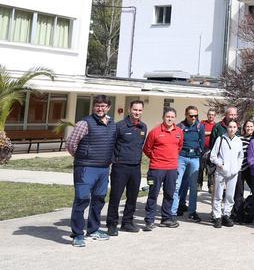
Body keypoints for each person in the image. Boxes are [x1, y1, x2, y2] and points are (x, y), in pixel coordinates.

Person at [66, 95, 117, 247]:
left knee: (99, 199)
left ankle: (93, 230)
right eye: (97, 106)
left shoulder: (112, 124)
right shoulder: (84, 123)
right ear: (93, 107)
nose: (100, 109)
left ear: (108, 107)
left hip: (103, 169)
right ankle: (77, 234)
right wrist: (83, 157)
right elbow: (70, 144)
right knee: (81, 200)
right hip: (86, 168)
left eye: (103, 106)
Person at [106, 100, 147, 236]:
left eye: (140, 110)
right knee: (116, 196)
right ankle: (112, 224)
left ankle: (127, 222)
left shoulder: (143, 127)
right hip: (120, 167)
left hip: (135, 167)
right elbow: (111, 145)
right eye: (135, 110)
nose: (137, 112)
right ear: (130, 109)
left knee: (132, 197)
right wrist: (113, 161)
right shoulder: (119, 126)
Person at [142, 108, 184, 231]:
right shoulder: (154, 132)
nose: (169, 119)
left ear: (175, 118)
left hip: (171, 169)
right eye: (167, 116)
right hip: (156, 169)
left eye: (172, 117)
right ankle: (149, 221)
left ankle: (166, 219)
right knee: (153, 195)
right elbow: (147, 149)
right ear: (163, 117)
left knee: (169, 194)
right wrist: (156, 158)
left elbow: (179, 147)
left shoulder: (179, 132)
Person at [172, 106, 205, 222]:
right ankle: (173, 212)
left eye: (196, 115)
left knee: (193, 187)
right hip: (182, 158)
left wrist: (199, 152)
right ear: (186, 115)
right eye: (191, 116)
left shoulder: (200, 126)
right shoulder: (180, 127)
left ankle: (192, 212)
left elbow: (202, 142)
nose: (194, 118)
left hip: (194, 158)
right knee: (176, 185)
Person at [210, 119, 243, 228]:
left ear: (237, 129)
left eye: (234, 127)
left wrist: (237, 168)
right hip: (221, 172)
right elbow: (213, 156)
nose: (232, 129)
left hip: (233, 173)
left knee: (230, 196)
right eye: (230, 127)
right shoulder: (220, 139)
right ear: (227, 128)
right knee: (218, 195)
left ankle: (226, 215)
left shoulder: (238, 141)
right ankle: (217, 216)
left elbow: (240, 156)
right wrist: (221, 164)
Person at [232, 120, 254, 223]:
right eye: (247, 126)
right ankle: (239, 215)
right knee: (238, 193)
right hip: (239, 169)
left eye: (251, 126)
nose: (249, 128)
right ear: (244, 128)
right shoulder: (239, 139)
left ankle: (252, 213)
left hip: (251, 169)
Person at [199, 108, 217, 190]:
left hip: (212, 149)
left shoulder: (216, 125)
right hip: (202, 148)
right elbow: (200, 132)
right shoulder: (202, 123)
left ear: (215, 116)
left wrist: (206, 133)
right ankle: (199, 184)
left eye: (213, 115)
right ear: (207, 115)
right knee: (200, 167)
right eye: (209, 114)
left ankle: (211, 186)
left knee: (211, 168)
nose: (211, 116)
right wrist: (211, 133)